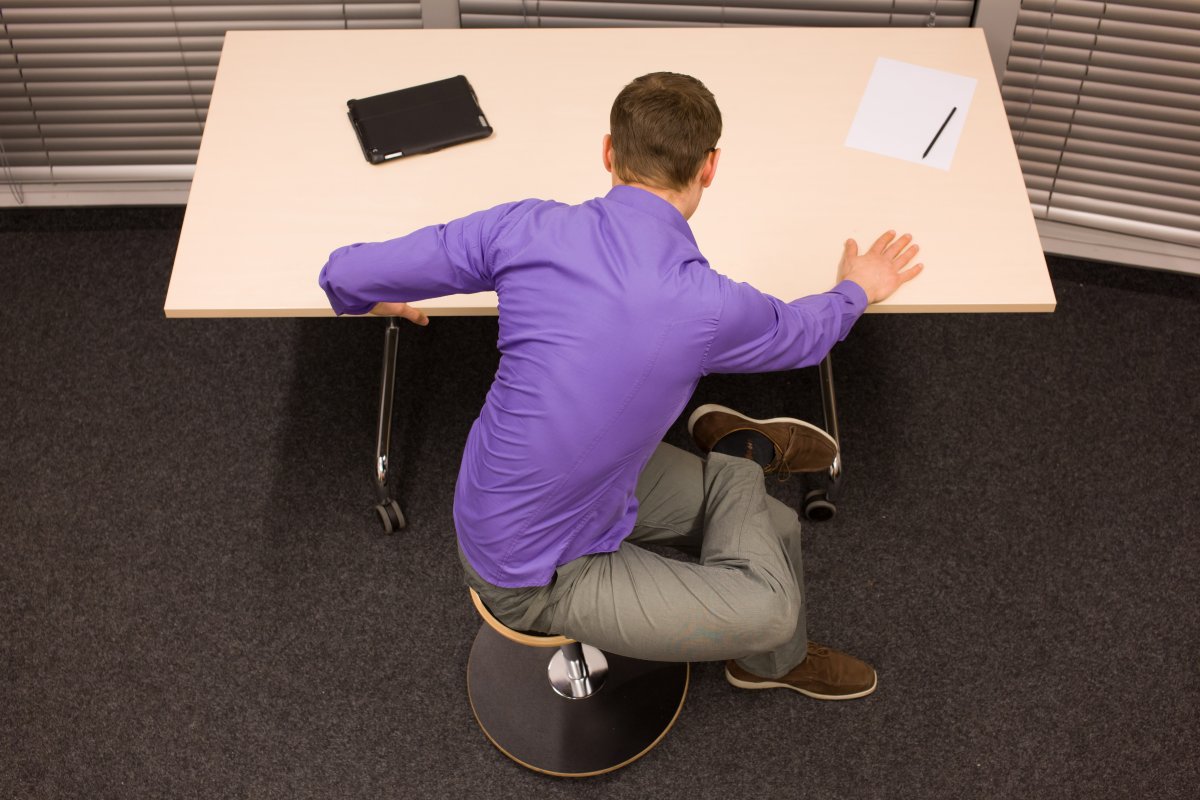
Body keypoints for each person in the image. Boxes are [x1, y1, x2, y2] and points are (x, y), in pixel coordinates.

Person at [319, 72, 922, 700]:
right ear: (711, 168)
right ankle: (746, 452)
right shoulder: (707, 302)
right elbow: (803, 334)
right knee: (774, 609)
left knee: (781, 528)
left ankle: (769, 663)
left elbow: (347, 268)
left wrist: (365, 296)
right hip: (531, 570)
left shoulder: (523, 227)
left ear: (609, 151)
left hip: (571, 485)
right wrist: (857, 287)